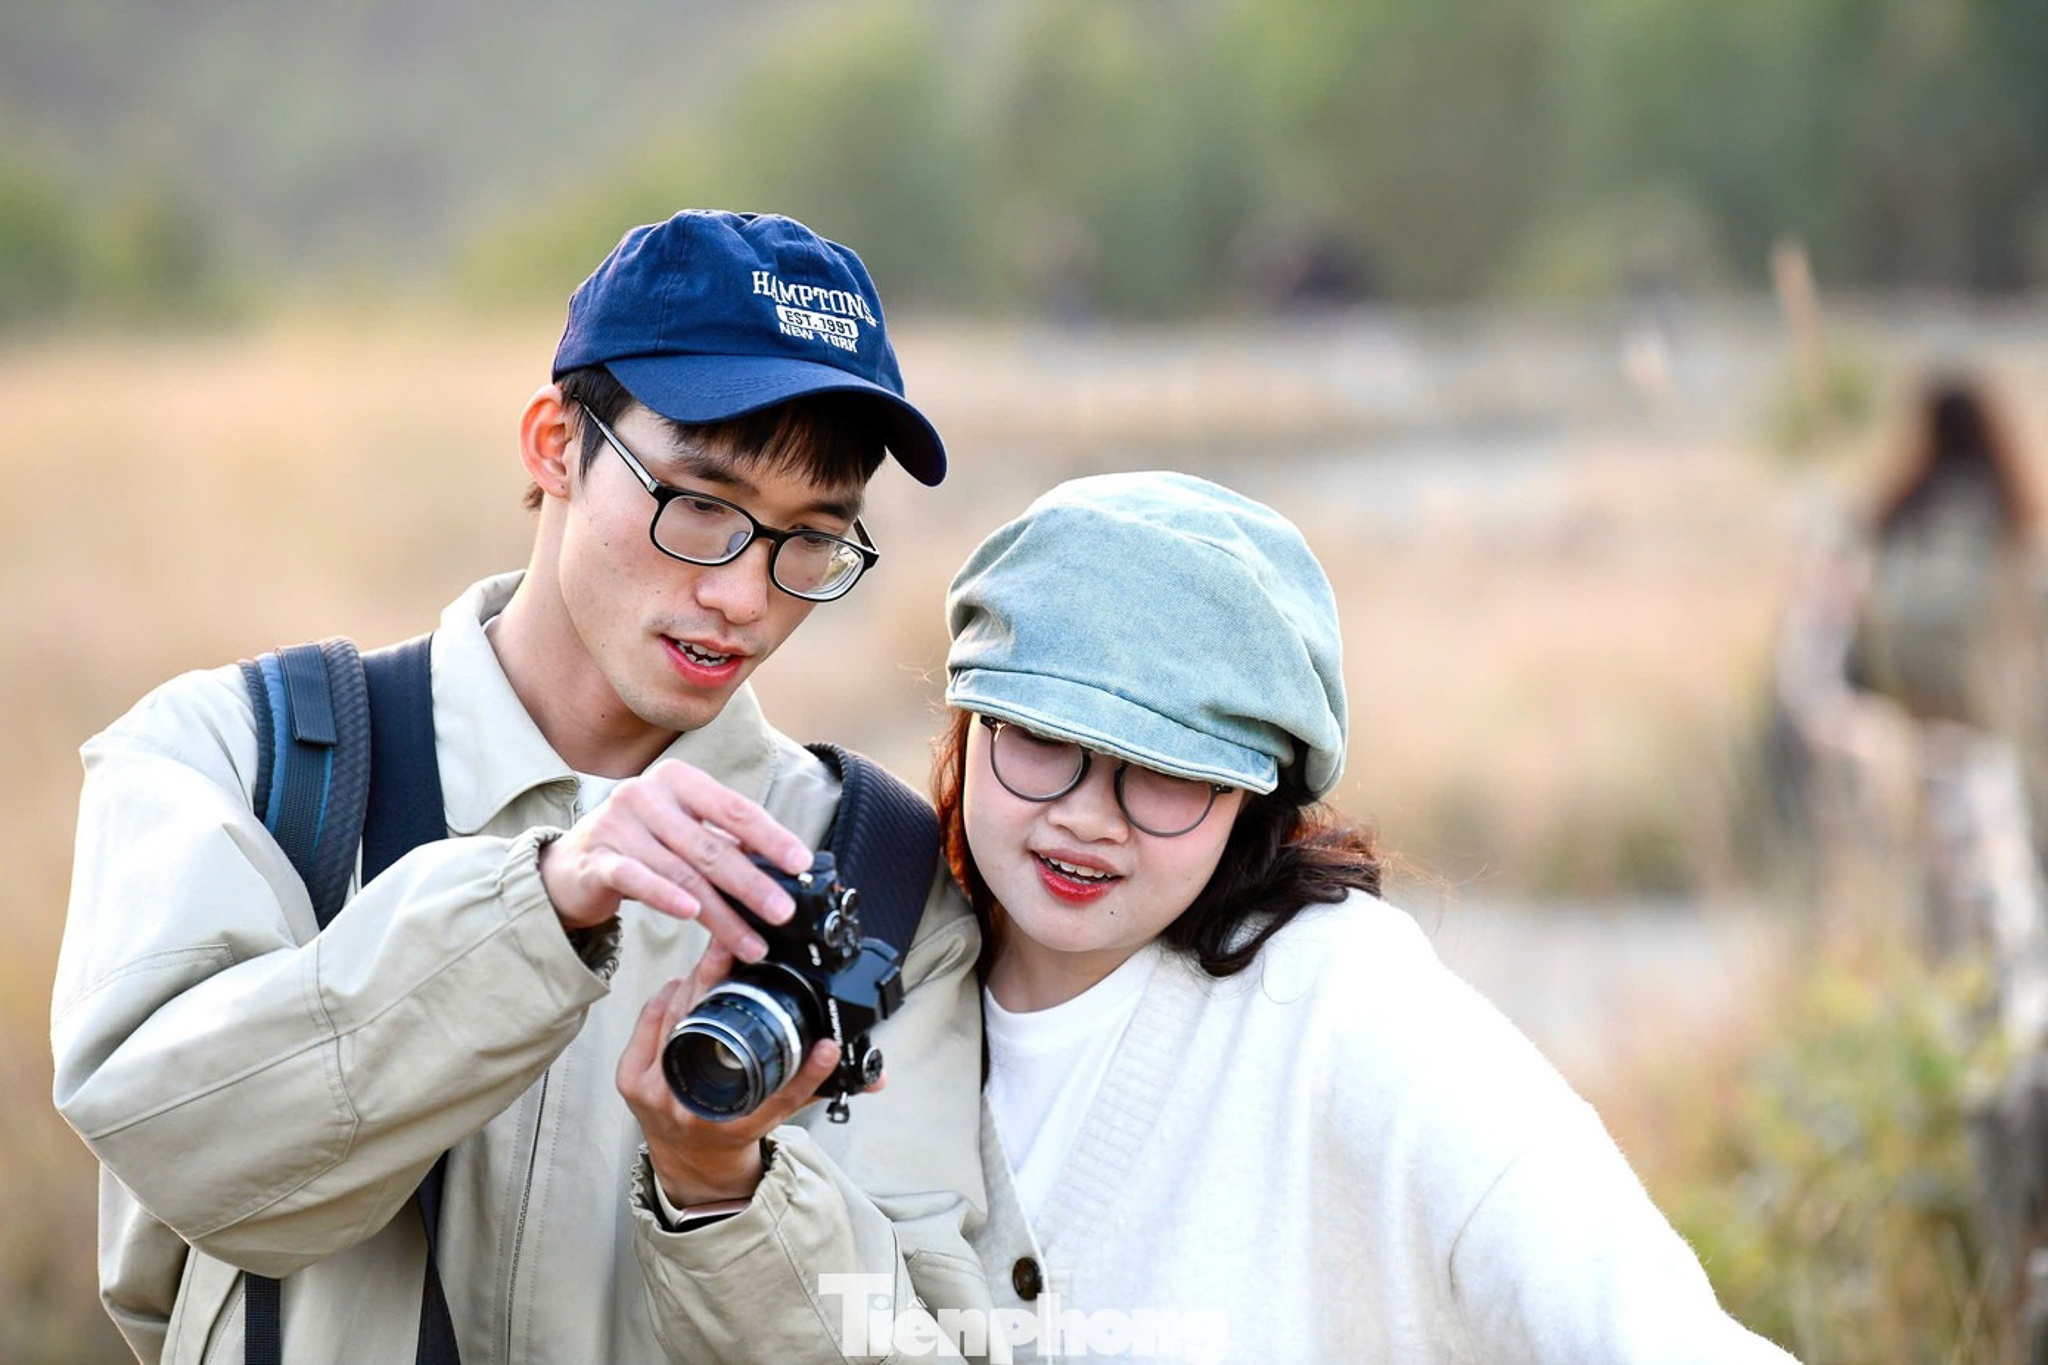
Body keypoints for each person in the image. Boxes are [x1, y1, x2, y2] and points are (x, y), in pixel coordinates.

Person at [49, 210, 986, 1362]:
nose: (746, 596)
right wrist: (535, 908)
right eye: (698, 503)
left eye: (810, 540)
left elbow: (936, 1341)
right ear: (553, 445)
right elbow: (184, 1159)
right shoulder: (237, 758)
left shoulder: (880, 878)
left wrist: (720, 1190)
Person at [919, 472, 1797, 1362]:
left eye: (1165, 768)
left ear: (1257, 790)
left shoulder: (1349, 1009)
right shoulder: (871, 966)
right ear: (972, 720)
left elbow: (1639, 1322)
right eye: (1043, 735)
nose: (1089, 816)